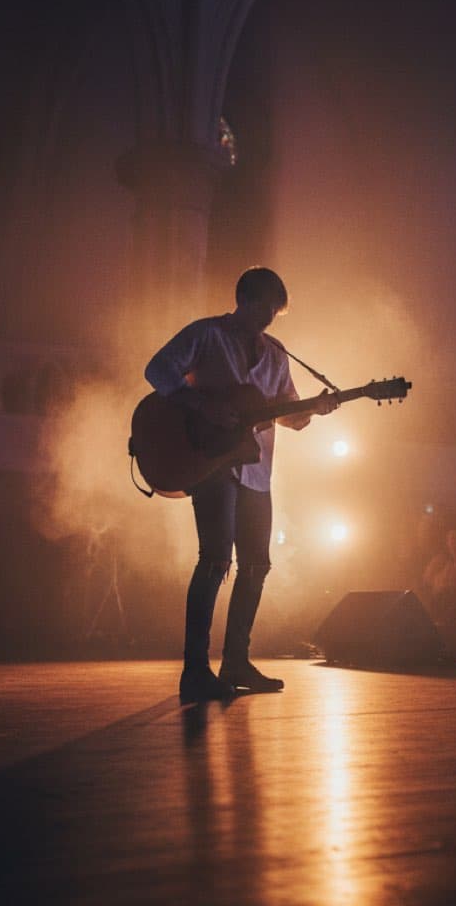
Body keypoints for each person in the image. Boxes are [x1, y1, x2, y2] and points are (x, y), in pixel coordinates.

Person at [145, 267, 337, 703]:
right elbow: (157, 368)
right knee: (215, 560)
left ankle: (235, 661)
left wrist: (311, 411)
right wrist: (199, 404)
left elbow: (287, 411)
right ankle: (195, 670)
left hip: (256, 470)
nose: (269, 319)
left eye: (275, 313)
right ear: (245, 300)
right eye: (266, 309)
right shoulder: (207, 335)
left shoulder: (276, 354)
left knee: (256, 565)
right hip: (212, 465)